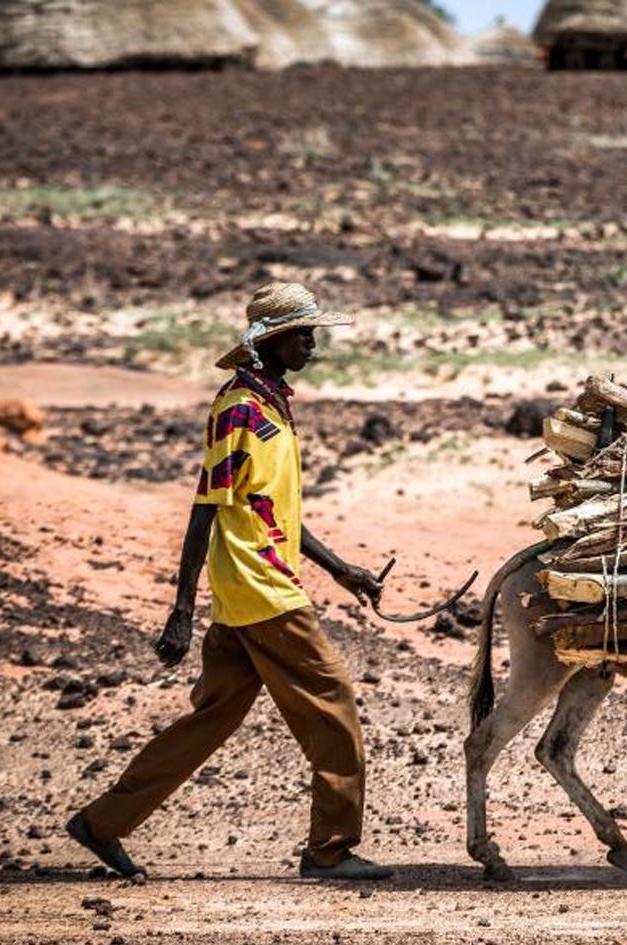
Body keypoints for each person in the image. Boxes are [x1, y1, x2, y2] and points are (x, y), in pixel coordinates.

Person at [66, 282, 393, 881]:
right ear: (271, 341)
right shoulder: (238, 409)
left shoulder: (271, 405)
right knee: (335, 705)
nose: (313, 344)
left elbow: (273, 510)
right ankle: (330, 850)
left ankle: (103, 822)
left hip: (254, 589)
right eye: (303, 334)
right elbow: (205, 507)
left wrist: (342, 569)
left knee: (211, 718)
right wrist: (180, 608)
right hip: (260, 591)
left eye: (313, 333)